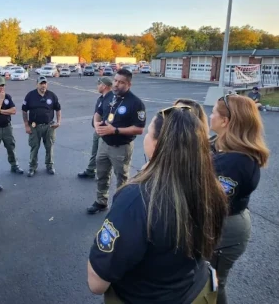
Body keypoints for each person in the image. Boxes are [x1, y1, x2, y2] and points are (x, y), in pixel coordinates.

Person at [88, 106, 228, 304]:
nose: (144, 137)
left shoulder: (137, 198)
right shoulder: (211, 188)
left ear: (158, 145)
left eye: (148, 133)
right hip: (194, 291)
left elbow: (96, 283)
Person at [209, 94, 269, 304]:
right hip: (218, 222)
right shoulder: (222, 143)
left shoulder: (236, 161)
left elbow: (211, 200)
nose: (210, 115)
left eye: (214, 112)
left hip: (224, 228)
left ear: (225, 121)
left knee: (212, 283)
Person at [87, 69, 146, 214]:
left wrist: (115, 130)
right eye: (115, 80)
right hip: (104, 143)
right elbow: (98, 113)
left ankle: (120, 206)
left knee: (122, 178)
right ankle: (101, 201)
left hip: (121, 147)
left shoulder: (136, 103)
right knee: (101, 174)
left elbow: (139, 129)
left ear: (129, 84)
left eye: (121, 82)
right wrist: (96, 125)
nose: (116, 84)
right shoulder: (108, 97)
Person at [0, 76, 24, 178]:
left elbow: (14, 110)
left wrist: (0, 110)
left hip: (7, 127)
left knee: (11, 147)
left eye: (3, 86)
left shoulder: (8, 96)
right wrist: (1, 100)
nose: (1, 88)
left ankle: (14, 165)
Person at [22, 76, 61, 177]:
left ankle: (49, 165)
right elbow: (24, 110)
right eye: (41, 83)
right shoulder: (30, 96)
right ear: (37, 84)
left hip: (49, 126)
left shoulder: (52, 95)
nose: (43, 85)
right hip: (34, 126)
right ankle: (32, 167)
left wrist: (59, 122)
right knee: (34, 147)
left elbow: (58, 108)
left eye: (45, 83)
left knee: (49, 146)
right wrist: (26, 125)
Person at [78, 77, 113, 179]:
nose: (97, 86)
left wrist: (105, 125)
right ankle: (90, 170)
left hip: (105, 131)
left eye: (99, 84)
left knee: (103, 155)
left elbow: (112, 116)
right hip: (98, 130)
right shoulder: (102, 98)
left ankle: (105, 176)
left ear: (104, 86)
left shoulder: (112, 99)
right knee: (94, 152)